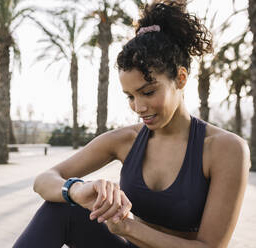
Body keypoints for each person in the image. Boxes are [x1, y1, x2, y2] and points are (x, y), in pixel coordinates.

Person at [13, 1, 251, 247]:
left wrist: (127, 227)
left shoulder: (224, 148)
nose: (138, 108)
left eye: (148, 92)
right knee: (61, 209)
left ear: (180, 78)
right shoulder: (125, 140)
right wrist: (76, 190)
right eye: (130, 96)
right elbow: (44, 180)